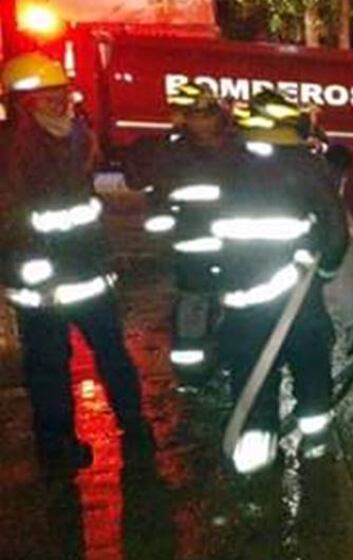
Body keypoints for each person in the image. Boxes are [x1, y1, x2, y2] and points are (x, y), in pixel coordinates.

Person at [0, 53, 146, 472]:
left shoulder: (77, 137)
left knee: (111, 354)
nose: (58, 103)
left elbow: (85, 205)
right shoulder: (11, 149)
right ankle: (57, 445)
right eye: (46, 97)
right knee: (48, 366)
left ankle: (133, 428)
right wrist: (25, 270)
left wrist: (106, 253)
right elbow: (9, 220)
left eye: (60, 94)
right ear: (21, 103)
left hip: (87, 273)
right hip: (41, 284)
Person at [217, 92, 348, 470]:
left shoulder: (228, 164)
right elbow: (334, 228)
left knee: (252, 369)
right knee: (310, 364)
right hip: (298, 295)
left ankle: (258, 451)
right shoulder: (306, 165)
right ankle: (317, 443)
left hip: (243, 298)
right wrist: (324, 271)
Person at [142, 82, 248, 388]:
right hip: (192, 247)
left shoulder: (236, 150)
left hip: (234, 246)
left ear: (219, 116)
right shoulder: (172, 153)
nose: (202, 122)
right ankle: (191, 373)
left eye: (208, 114)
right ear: (186, 118)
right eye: (195, 115)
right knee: (194, 307)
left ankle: (230, 361)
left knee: (233, 305)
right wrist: (165, 229)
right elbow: (158, 197)